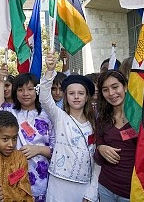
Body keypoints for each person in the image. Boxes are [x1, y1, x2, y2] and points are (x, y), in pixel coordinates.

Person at [39, 53, 100, 202]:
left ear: (87, 97)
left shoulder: (95, 124)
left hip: (84, 186)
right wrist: (49, 71)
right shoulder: (59, 117)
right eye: (72, 93)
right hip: (58, 184)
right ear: (66, 96)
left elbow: (97, 163)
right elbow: (44, 98)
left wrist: (91, 193)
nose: (76, 97)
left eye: (81, 93)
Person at [0, 69, 54, 201]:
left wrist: (39, 149)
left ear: (37, 91)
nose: (25, 94)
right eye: (20, 90)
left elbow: (58, 151)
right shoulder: (9, 110)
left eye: (30, 89)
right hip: (12, 177)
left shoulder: (48, 115)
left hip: (40, 181)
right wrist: (2, 82)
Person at [95, 70, 136, 202]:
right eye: (105, 90)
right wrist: (100, 148)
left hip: (132, 191)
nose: (111, 93)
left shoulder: (140, 117)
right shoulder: (102, 119)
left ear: (125, 87)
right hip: (105, 187)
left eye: (115, 87)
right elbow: (98, 159)